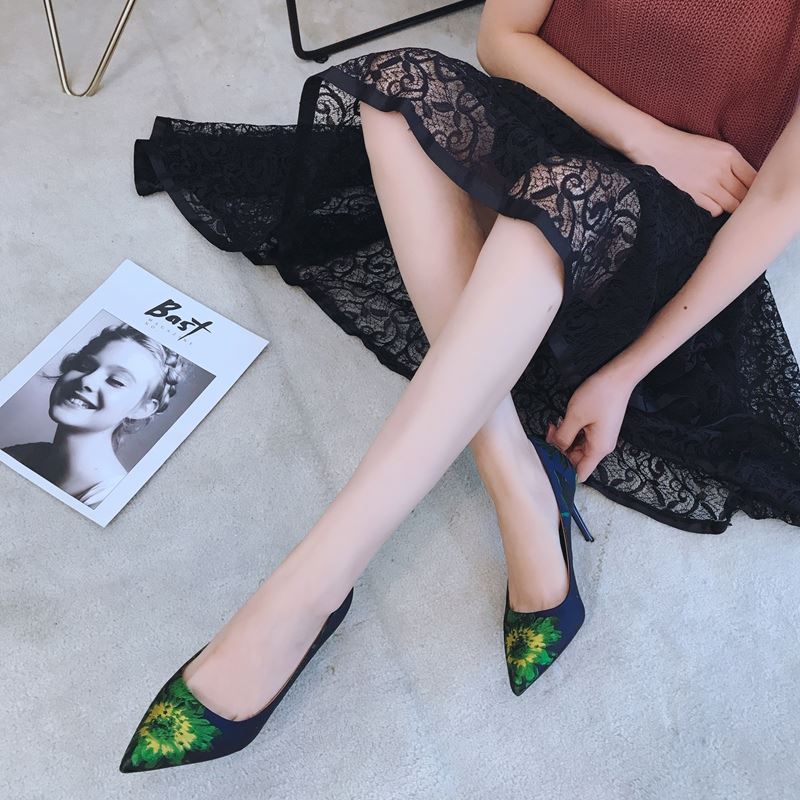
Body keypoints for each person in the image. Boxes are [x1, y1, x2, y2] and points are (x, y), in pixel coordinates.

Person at [120, 0, 800, 772]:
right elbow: (501, 38)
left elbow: (780, 201)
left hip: (664, 223)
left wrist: (626, 372)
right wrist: (647, 136)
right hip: (572, 129)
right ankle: (519, 483)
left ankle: (307, 589)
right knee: (393, 92)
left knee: (555, 205)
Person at [3, 324, 187, 509]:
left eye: (116, 381)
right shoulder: (22, 454)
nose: (87, 380)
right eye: (84, 366)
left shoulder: (109, 501)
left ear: (143, 409)